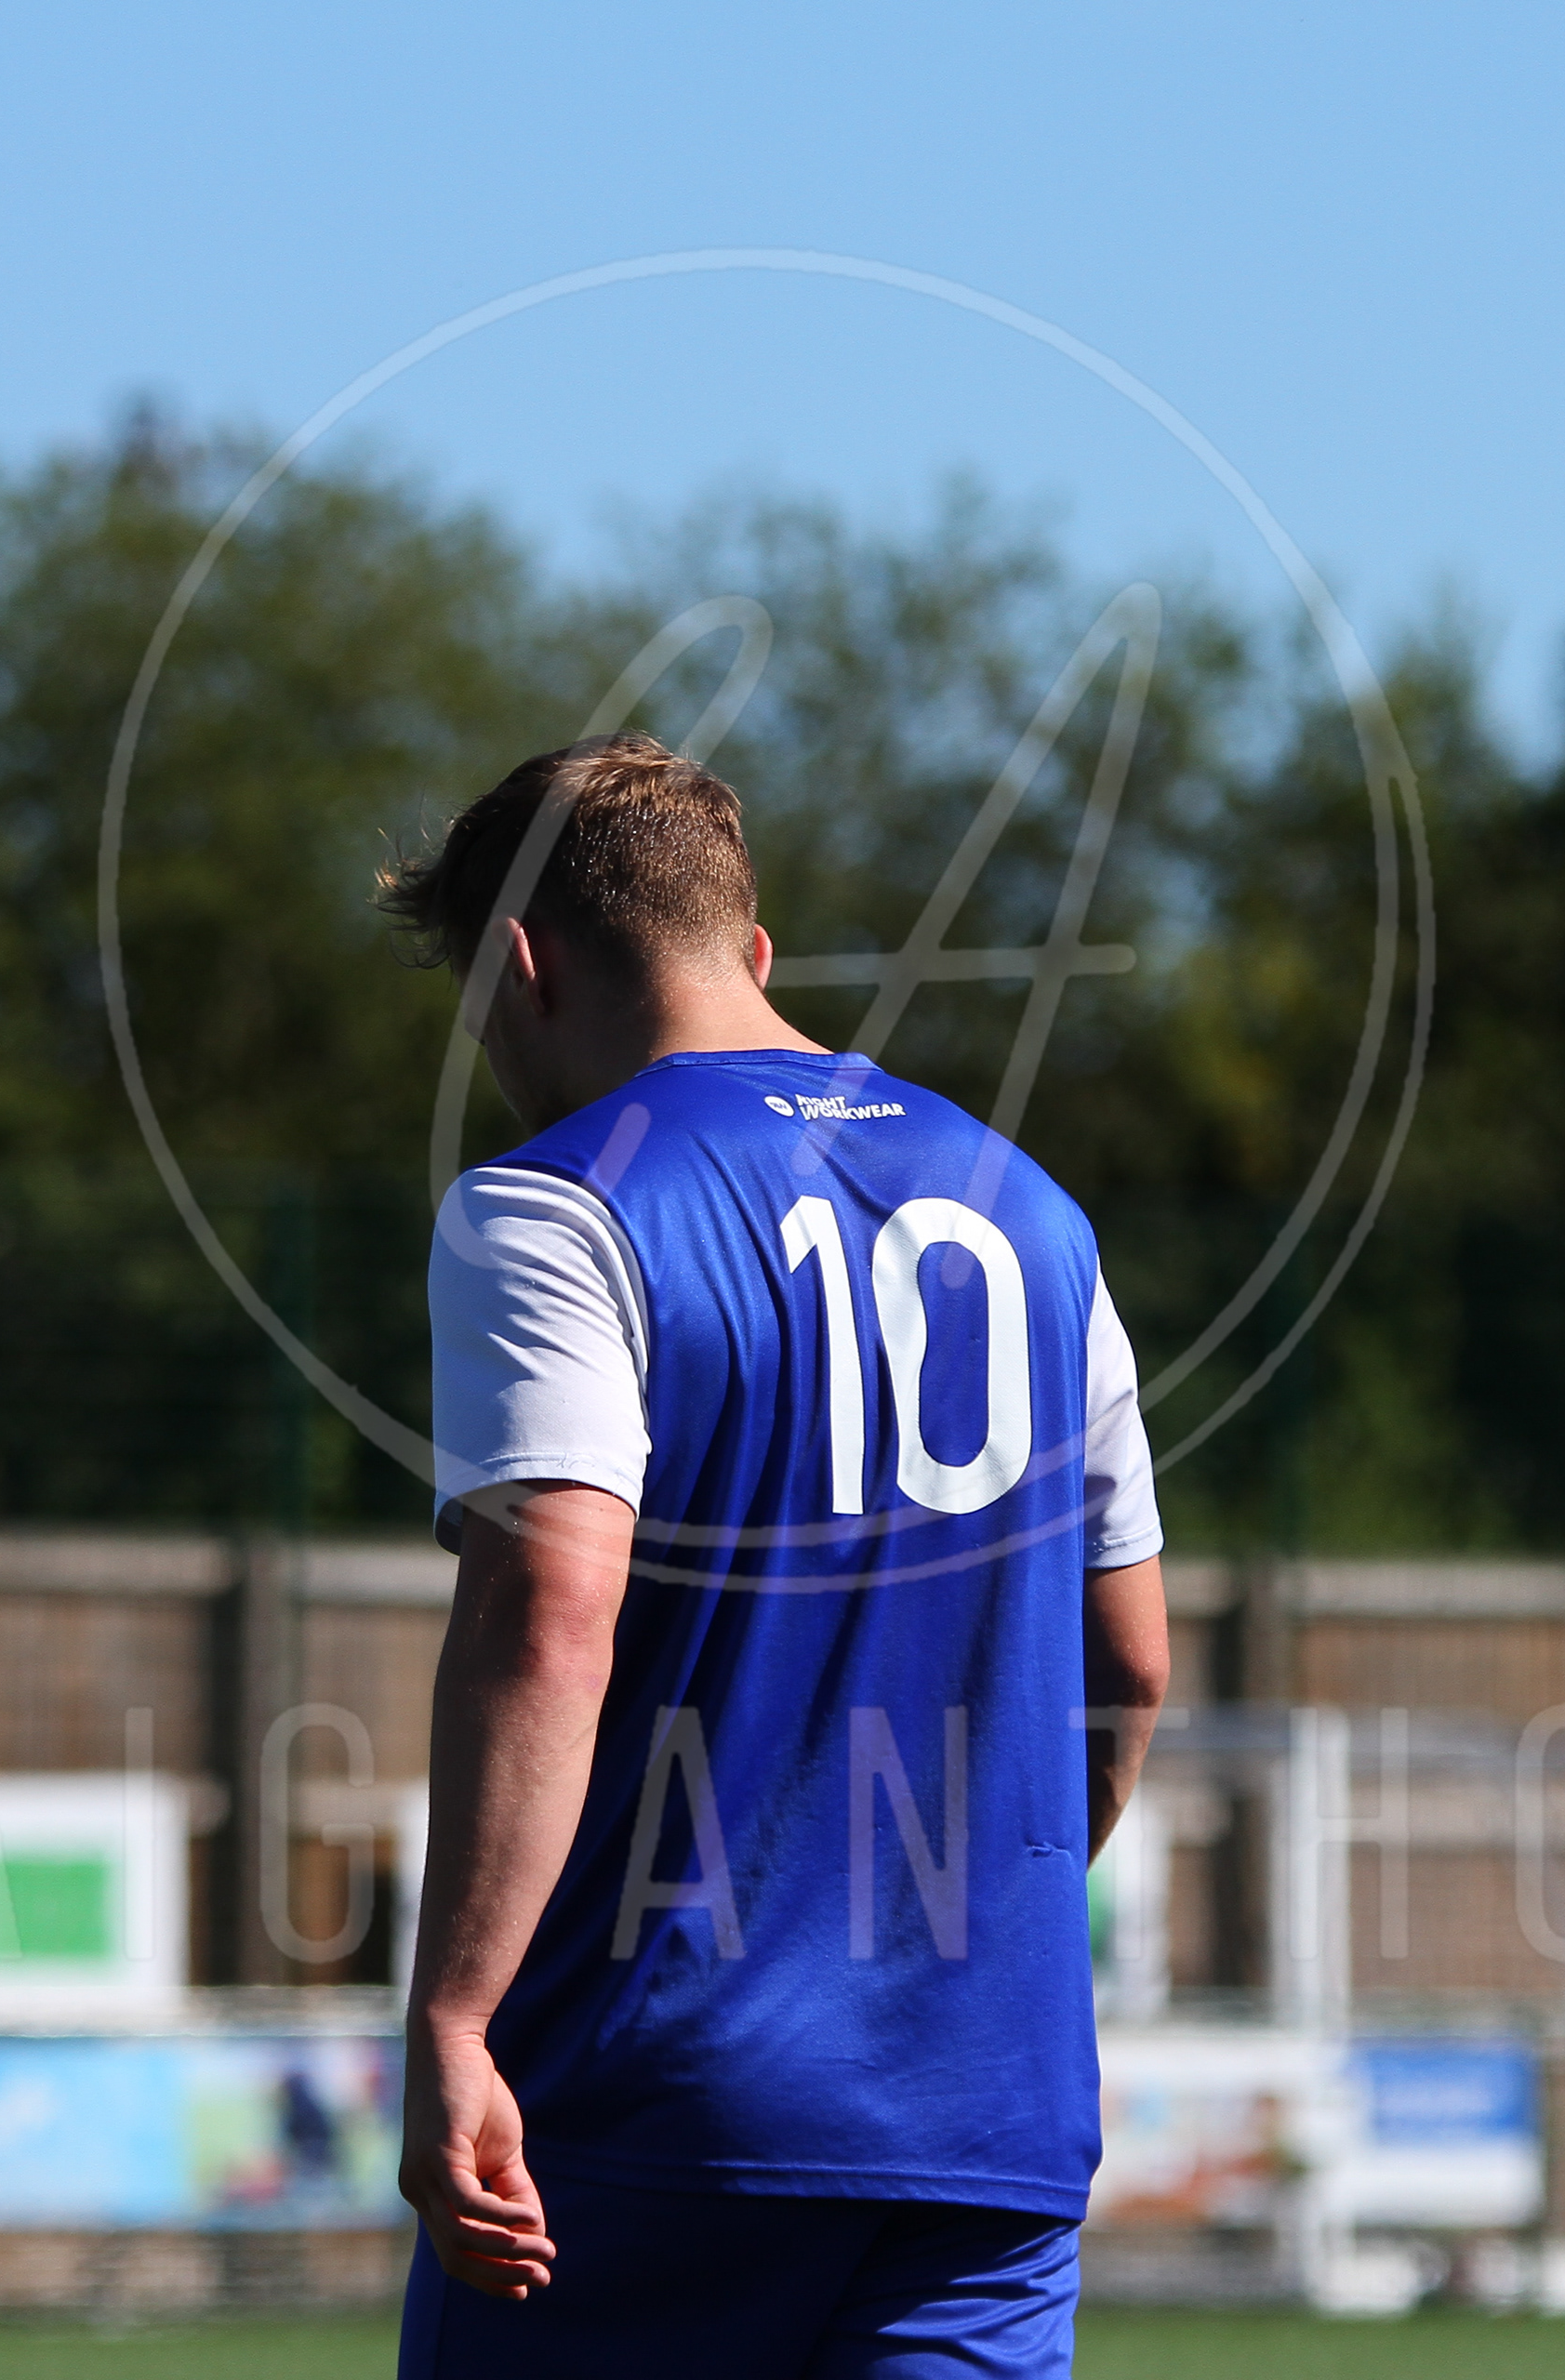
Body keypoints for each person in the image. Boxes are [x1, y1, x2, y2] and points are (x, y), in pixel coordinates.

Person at [379, 734, 1173, 2377]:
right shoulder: (1038, 1216)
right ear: (750, 950)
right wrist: (946, 1936)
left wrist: (453, 2015)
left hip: (654, 2106)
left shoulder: (556, 1207)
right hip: (987, 2124)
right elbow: (1133, 1666)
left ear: (521, 965)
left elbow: (550, 1614)